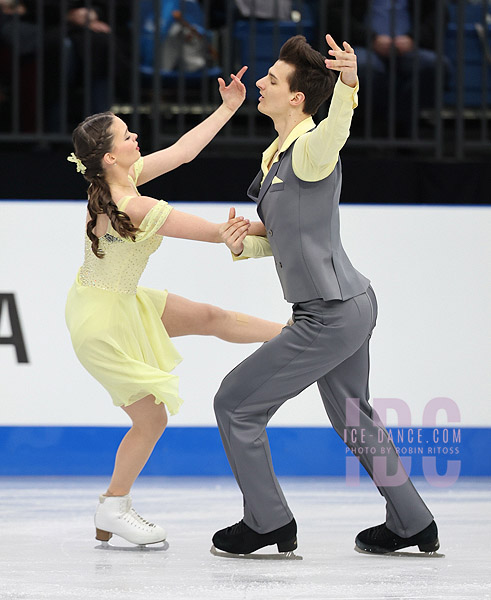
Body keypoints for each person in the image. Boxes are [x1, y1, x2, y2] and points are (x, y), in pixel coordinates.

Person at [212, 34, 440, 557]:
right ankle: (412, 521)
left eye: (271, 79)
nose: (261, 84)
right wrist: (246, 240)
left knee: (235, 404)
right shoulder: (277, 154)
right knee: (356, 419)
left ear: (296, 98)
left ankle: (267, 521)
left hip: (330, 314)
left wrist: (349, 81)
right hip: (347, 305)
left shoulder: (312, 147)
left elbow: (339, 127)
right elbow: (293, 235)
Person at [65, 66, 283, 549]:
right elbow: (216, 235)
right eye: (126, 135)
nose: (135, 135)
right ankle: (113, 505)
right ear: (108, 157)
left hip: (119, 300)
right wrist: (282, 230)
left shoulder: (121, 180)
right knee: (153, 418)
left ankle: (290, 334)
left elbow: (183, 153)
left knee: (209, 316)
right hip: (102, 323)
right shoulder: (131, 204)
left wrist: (228, 106)